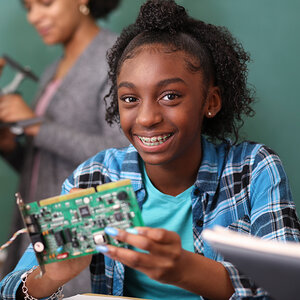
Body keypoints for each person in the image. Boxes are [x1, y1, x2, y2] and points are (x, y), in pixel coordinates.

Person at [1, 0, 300, 299]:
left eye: (170, 96)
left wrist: (184, 268)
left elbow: (287, 288)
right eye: (130, 99)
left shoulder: (253, 169)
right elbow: (10, 288)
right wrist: (48, 276)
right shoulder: (95, 177)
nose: (146, 118)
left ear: (211, 101)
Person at [0, 0, 128, 296]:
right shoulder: (52, 71)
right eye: (28, 8)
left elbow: (122, 156)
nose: (34, 17)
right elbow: (50, 167)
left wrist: (35, 125)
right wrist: (10, 147)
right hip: (36, 233)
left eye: (45, 3)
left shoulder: (115, 60)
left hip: (79, 238)